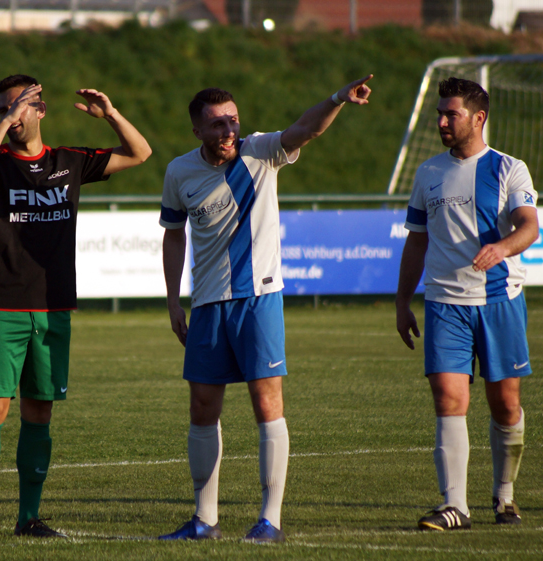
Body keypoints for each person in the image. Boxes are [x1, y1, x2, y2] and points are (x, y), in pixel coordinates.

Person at [159, 76, 373, 543]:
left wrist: (337, 98)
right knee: (201, 407)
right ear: (197, 131)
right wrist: (173, 300)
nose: (228, 131)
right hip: (208, 303)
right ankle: (204, 520)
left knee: (266, 402)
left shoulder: (260, 151)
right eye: (217, 124)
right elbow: (173, 235)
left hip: (259, 297)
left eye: (232, 121)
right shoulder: (179, 172)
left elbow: (306, 130)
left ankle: (269, 521)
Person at [0, 74, 151, 541]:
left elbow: (140, 153)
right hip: (2, 303)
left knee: (39, 412)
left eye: (20, 106)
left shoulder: (69, 161)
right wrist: (5, 121)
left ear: (41, 110)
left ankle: (29, 517)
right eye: (4, 108)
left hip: (53, 306)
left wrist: (111, 115)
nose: (12, 115)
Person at [396, 77, 539, 531]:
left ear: (478, 118)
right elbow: (416, 242)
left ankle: (504, 495)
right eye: (439, 113)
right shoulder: (428, 173)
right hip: (444, 303)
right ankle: (454, 505)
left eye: (450, 114)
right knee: (448, 398)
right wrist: (402, 301)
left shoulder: (509, 168)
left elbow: (529, 226)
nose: (441, 121)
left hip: (498, 300)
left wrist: (502, 248)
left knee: (505, 405)